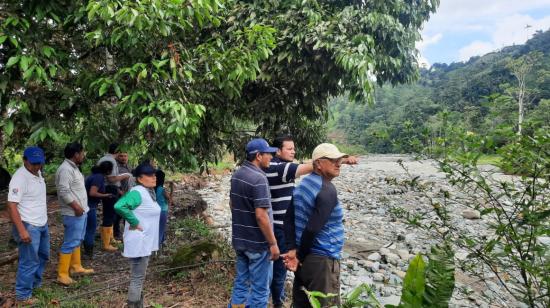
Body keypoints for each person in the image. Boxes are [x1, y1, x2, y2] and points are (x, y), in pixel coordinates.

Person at [266, 135, 357, 307]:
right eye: (333, 160)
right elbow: (312, 229)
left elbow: (287, 219)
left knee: (302, 303)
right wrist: (297, 256)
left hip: (304, 260)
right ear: (318, 164)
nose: (338, 163)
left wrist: (293, 250)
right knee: (324, 304)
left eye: (339, 159)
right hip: (322, 261)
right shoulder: (327, 190)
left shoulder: (303, 184)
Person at [229, 138, 280, 308]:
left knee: (241, 285)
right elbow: (261, 216)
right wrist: (272, 243)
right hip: (258, 244)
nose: (271, 157)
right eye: (268, 154)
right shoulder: (259, 178)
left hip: (240, 240)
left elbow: (232, 205)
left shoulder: (237, 175)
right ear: (258, 156)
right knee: (260, 291)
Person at [115, 161, 161, 308]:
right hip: (139, 241)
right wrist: (134, 222)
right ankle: (133, 305)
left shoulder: (148, 192)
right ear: (140, 178)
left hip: (143, 241)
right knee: (137, 277)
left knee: (138, 277)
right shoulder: (138, 192)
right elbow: (119, 206)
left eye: (154, 174)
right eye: (149, 175)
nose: (154, 177)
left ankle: (137, 304)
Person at [6, 146, 49, 304]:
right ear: (25, 160)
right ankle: (23, 295)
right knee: (29, 260)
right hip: (29, 225)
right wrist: (22, 230)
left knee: (43, 255)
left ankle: (35, 284)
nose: (37, 166)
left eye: (39, 163)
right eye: (33, 163)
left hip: (41, 223)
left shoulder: (38, 173)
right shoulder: (20, 178)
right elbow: (11, 205)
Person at [55, 142, 94, 285]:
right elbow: (63, 191)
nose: (83, 155)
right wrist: (76, 207)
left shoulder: (74, 168)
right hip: (73, 212)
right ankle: (62, 274)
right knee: (70, 242)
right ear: (76, 154)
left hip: (81, 211)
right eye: (82, 153)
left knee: (77, 240)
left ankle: (76, 267)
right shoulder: (65, 169)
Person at [97, 143, 130, 251]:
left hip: (106, 187)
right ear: (117, 151)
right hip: (110, 188)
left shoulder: (104, 158)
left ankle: (110, 238)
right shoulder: (111, 161)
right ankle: (106, 243)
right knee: (109, 214)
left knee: (110, 214)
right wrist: (126, 175)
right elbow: (111, 178)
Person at [83, 161, 115, 258]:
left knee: (88, 228)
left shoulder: (94, 175)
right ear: (109, 170)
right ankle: (89, 253)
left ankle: (87, 251)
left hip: (88, 205)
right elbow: (92, 193)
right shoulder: (98, 177)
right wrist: (106, 195)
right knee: (90, 229)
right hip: (90, 206)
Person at [114, 151, 133, 239]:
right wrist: (120, 191)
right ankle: (116, 234)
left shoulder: (129, 167)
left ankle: (127, 234)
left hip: (129, 195)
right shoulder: (115, 167)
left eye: (125, 156)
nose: (123, 158)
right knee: (117, 216)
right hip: (119, 195)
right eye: (121, 156)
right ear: (117, 156)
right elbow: (112, 181)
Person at [155, 169, 171, 247]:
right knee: (160, 229)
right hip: (162, 211)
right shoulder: (162, 190)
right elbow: (170, 199)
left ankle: (162, 242)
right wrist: (172, 189)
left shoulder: (152, 189)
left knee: (157, 229)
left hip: (155, 211)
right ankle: (157, 246)